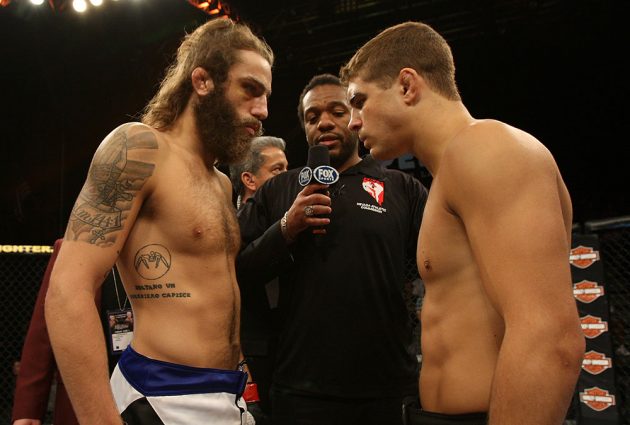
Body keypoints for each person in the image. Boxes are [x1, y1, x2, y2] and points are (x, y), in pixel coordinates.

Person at [340, 21, 585, 425]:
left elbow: (550, 339)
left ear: (406, 86)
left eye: (359, 101)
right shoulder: (451, 172)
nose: (353, 122)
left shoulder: (486, 147)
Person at [44, 18, 273, 425]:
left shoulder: (220, 183)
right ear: (202, 81)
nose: (262, 110)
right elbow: (67, 292)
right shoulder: (140, 147)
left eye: (266, 96)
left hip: (228, 395)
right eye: (250, 90)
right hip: (161, 395)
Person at [237, 73, 428, 425]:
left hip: (385, 387)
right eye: (312, 117)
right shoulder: (278, 190)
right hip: (302, 390)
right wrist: (285, 229)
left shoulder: (403, 189)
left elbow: (432, 273)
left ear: (355, 116)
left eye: (337, 111)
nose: (324, 122)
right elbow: (237, 273)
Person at [12, 239, 124, 425]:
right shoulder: (72, 247)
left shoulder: (171, 248)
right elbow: (43, 331)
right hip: (85, 396)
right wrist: (28, 409)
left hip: (153, 392)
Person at [229, 136, 288, 422]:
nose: (287, 177)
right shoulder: (230, 227)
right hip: (253, 360)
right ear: (249, 180)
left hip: (291, 353)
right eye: (277, 170)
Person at [230, 136, 288, 209]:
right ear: (249, 180)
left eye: (286, 168)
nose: (288, 175)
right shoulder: (227, 219)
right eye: (277, 169)